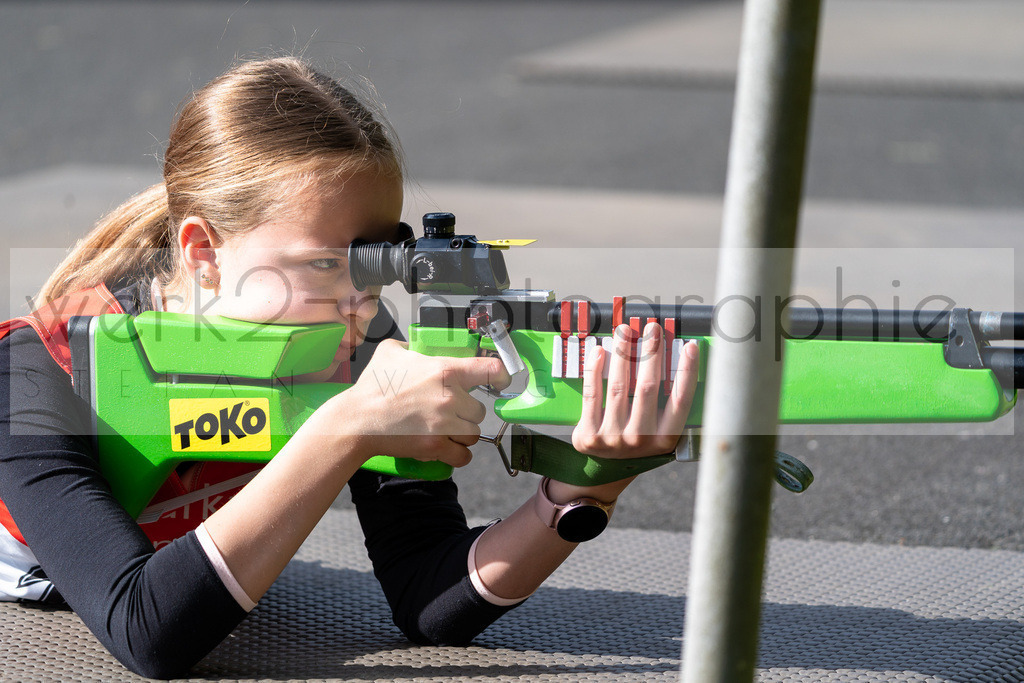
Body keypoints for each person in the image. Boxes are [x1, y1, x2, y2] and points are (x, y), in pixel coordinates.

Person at [0, 56, 699, 679]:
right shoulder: (34, 374)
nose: (361, 301)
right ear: (205, 252)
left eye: (376, 263)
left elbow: (429, 597)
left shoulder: (359, 337)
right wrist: (346, 428)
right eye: (327, 264)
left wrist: (583, 490)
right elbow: (145, 629)